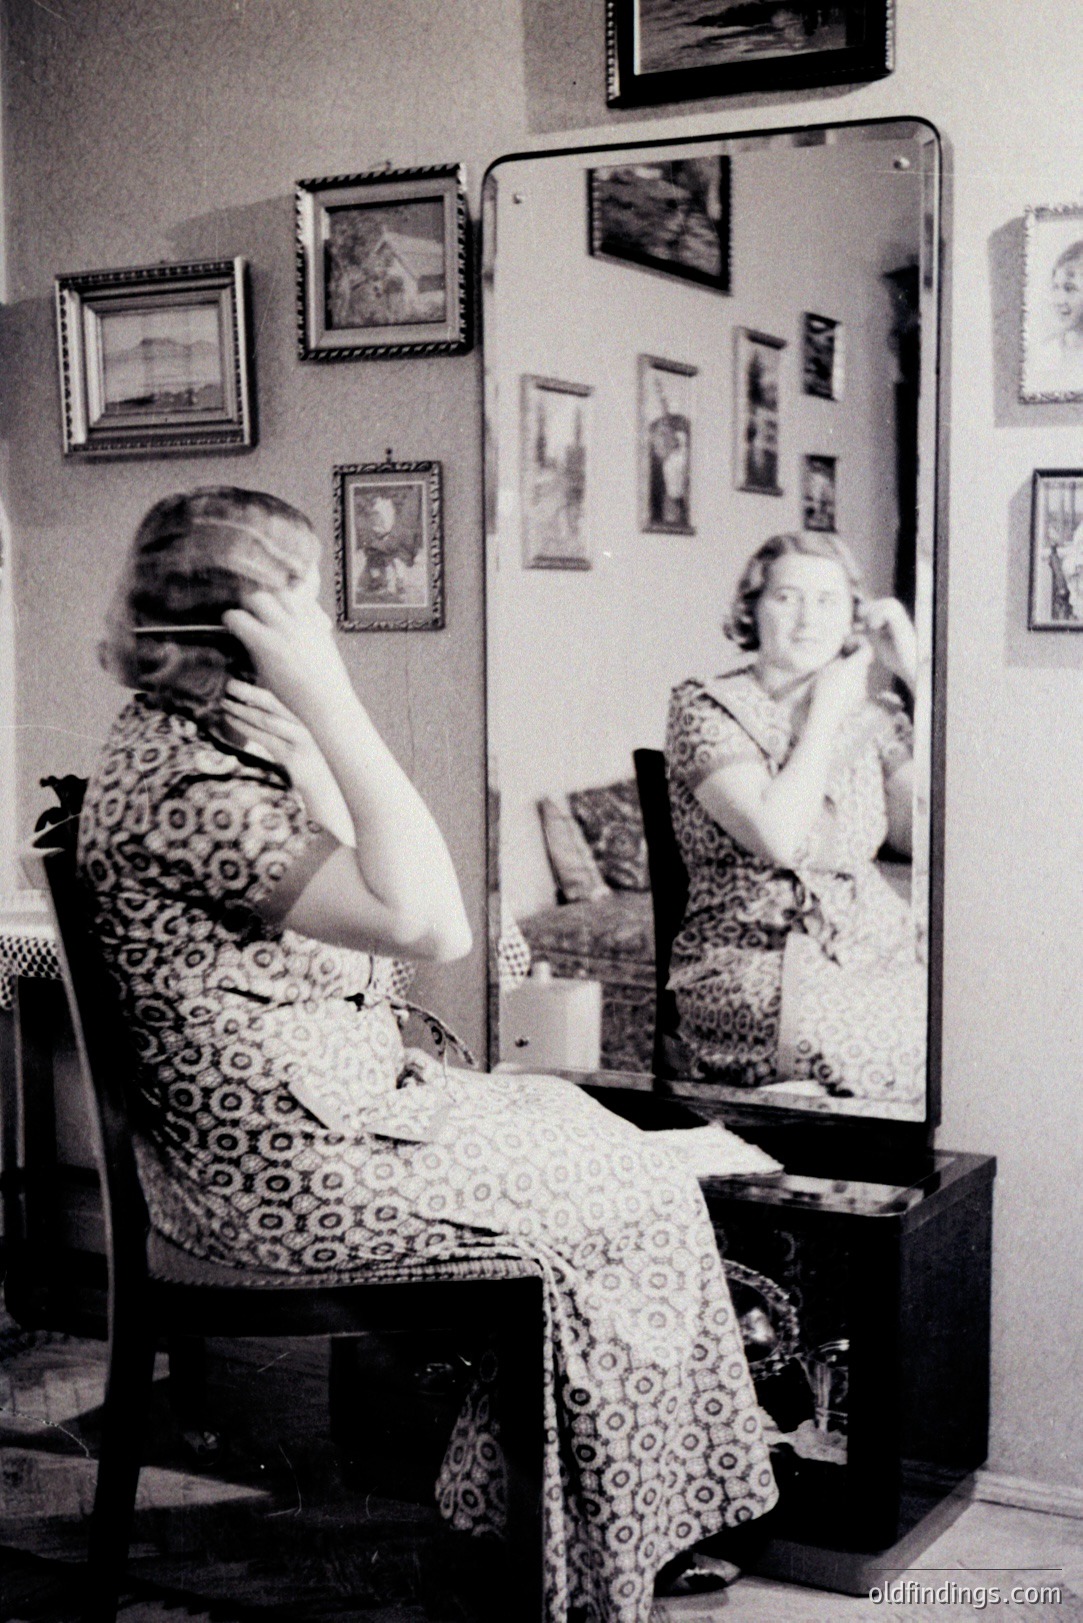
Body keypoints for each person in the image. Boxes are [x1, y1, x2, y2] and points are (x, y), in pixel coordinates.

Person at [79, 486, 776, 1623]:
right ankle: (595, 1558)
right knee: (636, 1188)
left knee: (584, 1127)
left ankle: (563, 1520)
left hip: (313, 1125)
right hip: (280, 1182)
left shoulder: (206, 748)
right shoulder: (197, 788)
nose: (326, 624)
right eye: (305, 599)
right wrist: (338, 709)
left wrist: (310, 753)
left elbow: (371, 923)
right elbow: (434, 930)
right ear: (253, 622)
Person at [664, 531, 924, 1113]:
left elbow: (925, 834)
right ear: (752, 608)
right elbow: (780, 838)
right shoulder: (703, 706)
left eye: (828, 601)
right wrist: (827, 712)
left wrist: (917, 675)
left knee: (958, 1047)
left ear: (854, 618)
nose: (809, 619)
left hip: (871, 950)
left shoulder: (876, 715)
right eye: (787, 597)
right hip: (751, 958)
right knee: (893, 1059)